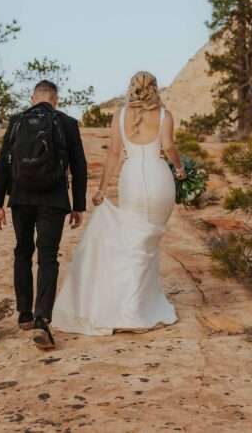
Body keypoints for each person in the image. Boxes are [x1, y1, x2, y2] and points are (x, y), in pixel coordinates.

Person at [52, 71, 185, 335]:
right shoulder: (164, 115)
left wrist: (102, 189)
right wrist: (180, 169)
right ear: (155, 89)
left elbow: (113, 153)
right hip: (160, 179)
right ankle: (139, 306)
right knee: (150, 241)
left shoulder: (120, 116)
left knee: (134, 241)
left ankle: (133, 305)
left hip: (132, 179)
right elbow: (168, 147)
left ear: (132, 88)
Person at [0, 79, 88, 349]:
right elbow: (79, 166)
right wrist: (78, 205)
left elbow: (3, 164)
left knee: (22, 250)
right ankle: (41, 319)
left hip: (20, 197)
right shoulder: (67, 122)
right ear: (56, 100)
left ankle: (23, 313)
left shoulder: (17, 120)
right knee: (48, 256)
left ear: (33, 99)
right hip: (54, 199)